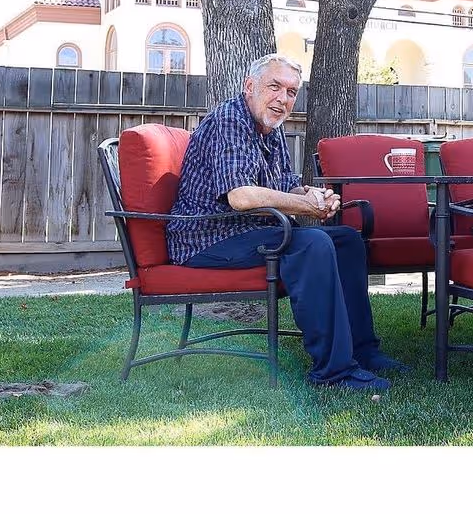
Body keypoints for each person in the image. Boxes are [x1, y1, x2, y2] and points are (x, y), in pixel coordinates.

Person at [166, 52, 407, 392]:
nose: (283, 99)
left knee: (347, 241)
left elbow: (281, 188)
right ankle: (333, 372)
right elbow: (241, 197)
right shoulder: (229, 120)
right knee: (313, 242)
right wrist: (304, 206)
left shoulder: (270, 127)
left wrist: (312, 195)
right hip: (206, 238)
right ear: (250, 86)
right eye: (274, 87)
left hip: (247, 231)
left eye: (291, 92)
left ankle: (363, 350)